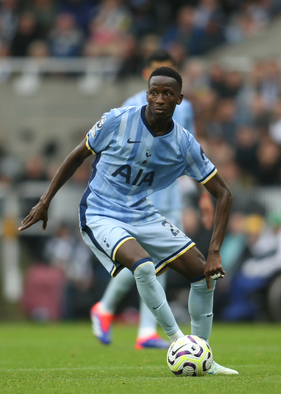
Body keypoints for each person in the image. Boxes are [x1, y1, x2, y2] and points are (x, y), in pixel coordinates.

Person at [19, 66, 238, 375]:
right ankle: (178, 343)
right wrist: (45, 201)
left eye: (167, 94)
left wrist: (214, 250)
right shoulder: (118, 120)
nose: (159, 99)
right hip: (100, 213)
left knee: (203, 275)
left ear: (179, 99)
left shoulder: (184, 143)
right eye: (153, 92)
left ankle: (202, 357)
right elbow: (77, 154)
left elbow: (224, 194)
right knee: (144, 266)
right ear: (146, 93)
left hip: (141, 213)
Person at [89, 49, 215, 351]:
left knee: (157, 264)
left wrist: (203, 196)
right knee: (145, 263)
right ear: (147, 76)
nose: (162, 96)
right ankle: (117, 313)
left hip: (169, 195)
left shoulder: (183, 108)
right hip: (136, 199)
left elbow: (192, 151)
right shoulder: (131, 107)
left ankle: (135, 324)